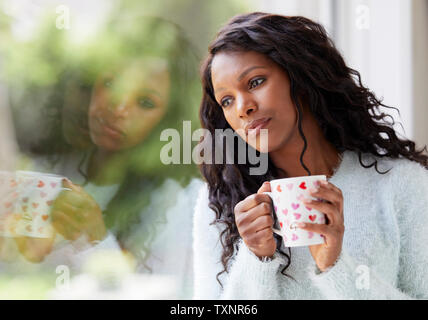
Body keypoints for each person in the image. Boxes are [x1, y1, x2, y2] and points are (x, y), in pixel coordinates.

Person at [193, 12, 428, 299]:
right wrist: (255, 259)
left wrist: (335, 268)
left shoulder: (402, 184)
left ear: (300, 76)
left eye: (255, 82)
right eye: (226, 100)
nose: (242, 108)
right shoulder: (219, 200)